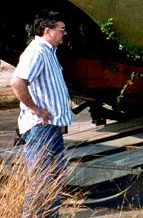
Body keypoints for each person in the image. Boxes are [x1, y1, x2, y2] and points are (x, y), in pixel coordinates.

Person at [11, 11, 73, 218]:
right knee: (41, 179)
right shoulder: (37, 52)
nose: (64, 33)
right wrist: (35, 108)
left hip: (51, 127)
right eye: (61, 30)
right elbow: (18, 82)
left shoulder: (49, 52)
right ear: (48, 31)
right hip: (41, 128)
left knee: (54, 177)